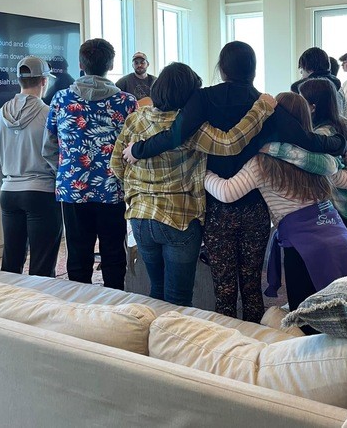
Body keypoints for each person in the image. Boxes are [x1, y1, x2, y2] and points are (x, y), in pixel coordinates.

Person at [125, 41, 347, 323]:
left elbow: (175, 136)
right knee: (252, 284)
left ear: (222, 69)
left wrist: (139, 149)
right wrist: (339, 143)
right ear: (253, 70)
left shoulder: (203, 98)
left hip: (217, 208)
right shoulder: (266, 104)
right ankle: (254, 334)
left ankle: (226, 337)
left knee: (224, 287)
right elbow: (305, 139)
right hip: (254, 207)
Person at [110, 62, 276, 307]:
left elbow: (116, 165)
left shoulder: (135, 119)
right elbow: (230, 144)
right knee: (178, 298)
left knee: (156, 289)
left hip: (140, 217)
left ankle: (153, 330)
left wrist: (142, 187)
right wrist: (261, 108)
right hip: (179, 218)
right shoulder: (193, 128)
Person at [204, 92, 347, 318]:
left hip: (304, 245)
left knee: (306, 314)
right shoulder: (318, 156)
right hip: (336, 233)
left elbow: (227, 192)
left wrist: (203, 174)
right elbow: (344, 180)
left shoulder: (263, 161)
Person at [43, 38, 138, 290]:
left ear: (81, 64)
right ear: (111, 64)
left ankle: (80, 304)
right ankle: (115, 303)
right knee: (114, 252)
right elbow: (135, 148)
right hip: (113, 189)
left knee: (77, 253)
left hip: (72, 189)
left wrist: (66, 171)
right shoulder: (127, 102)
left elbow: (49, 146)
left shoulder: (61, 99)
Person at [0, 56, 62, 277]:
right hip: (41, 192)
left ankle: (6, 300)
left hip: (9, 194)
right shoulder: (49, 115)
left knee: (11, 262)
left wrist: (8, 184)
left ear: (19, 81)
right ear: (44, 81)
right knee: (42, 265)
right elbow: (57, 157)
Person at [298, 78, 347, 255]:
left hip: (332, 219)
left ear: (313, 107)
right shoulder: (344, 124)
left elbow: (327, 173)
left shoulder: (320, 136)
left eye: (301, 100)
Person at [291, 47, 347, 117]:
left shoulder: (307, 91)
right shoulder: (338, 88)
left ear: (309, 68)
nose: (301, 74)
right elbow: (345, 114)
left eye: (301, 69)